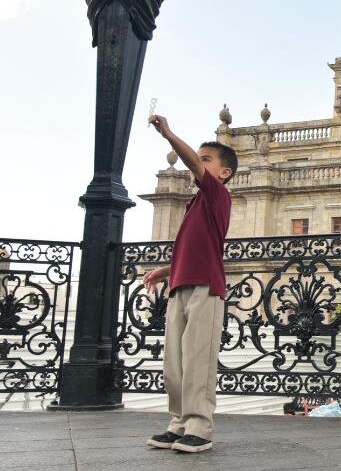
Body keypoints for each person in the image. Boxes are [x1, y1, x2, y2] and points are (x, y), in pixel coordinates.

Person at [143, 114, 237, 454]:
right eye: (200, 158)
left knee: (198, 358)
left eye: (207, 159)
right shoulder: (195, 204)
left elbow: (193, 163)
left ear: (223, 173)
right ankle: (179, 422)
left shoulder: (216, 196)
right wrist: (164, 271)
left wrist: (168, 134)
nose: (199, 162)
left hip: (206, 287)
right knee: (175, 362)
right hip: (180, 285)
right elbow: (193, 248)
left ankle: (200, 425)